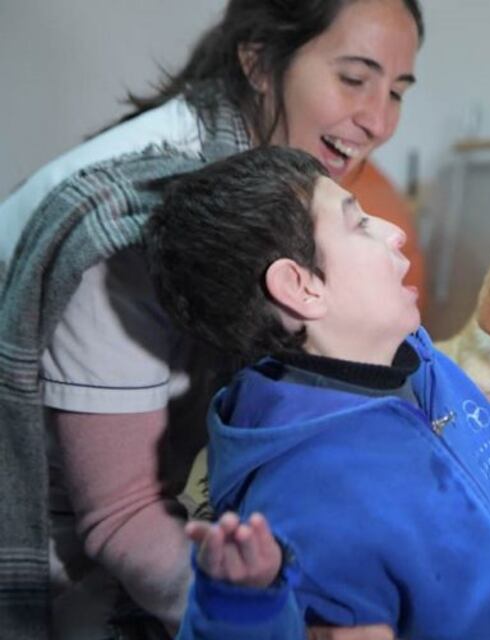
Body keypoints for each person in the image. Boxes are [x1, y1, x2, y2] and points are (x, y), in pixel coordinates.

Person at [0, 1, 424, 637]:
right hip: (51, 530)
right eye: (355, 78)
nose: (378, 120)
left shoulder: (287, 181)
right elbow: (121, 517)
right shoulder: (137, 234)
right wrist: (287, 622)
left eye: (396, 90)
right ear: (257, 61)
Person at [143, 146, 490, 639]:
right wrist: (245, 605)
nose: (393, 231)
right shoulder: (314, 491)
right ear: (301, 287)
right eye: (359, 224)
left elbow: (478, 477)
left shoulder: (418, 363)